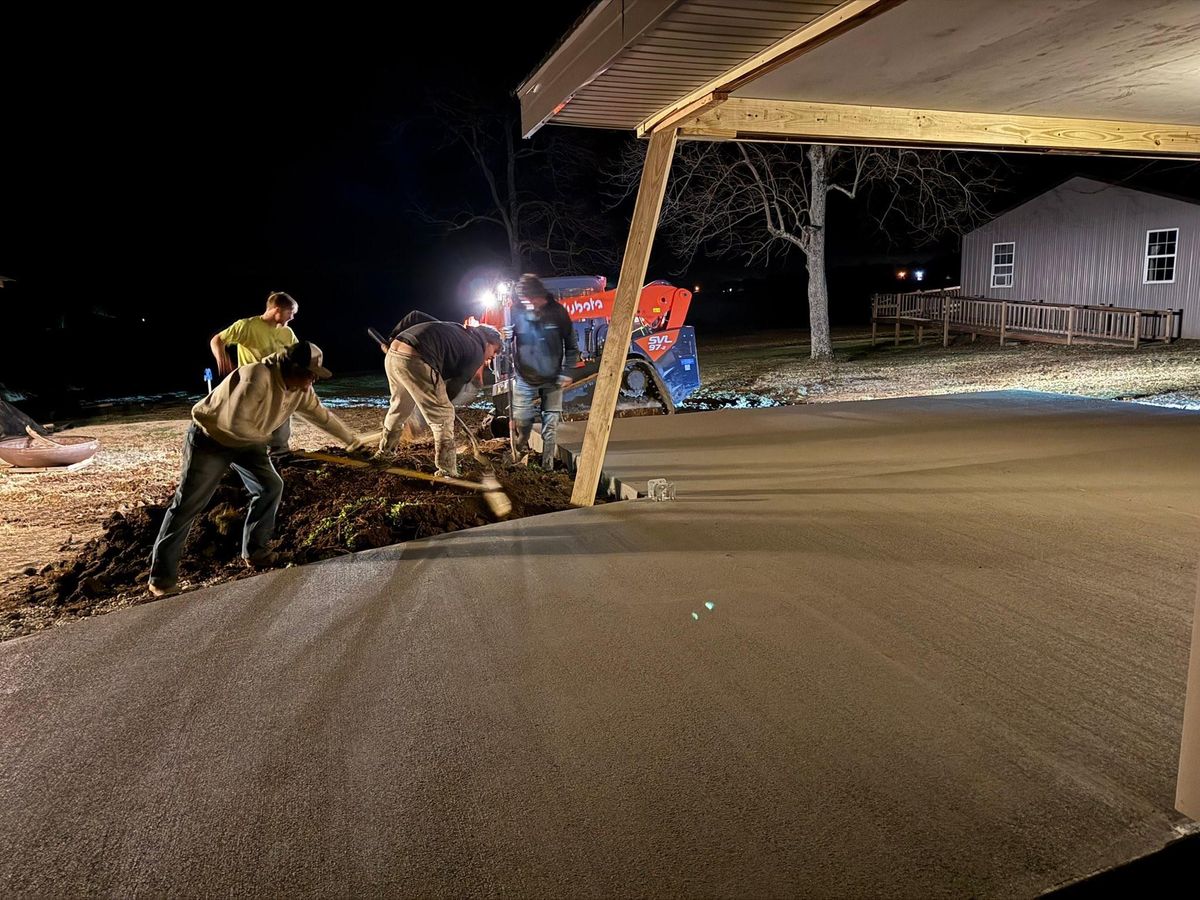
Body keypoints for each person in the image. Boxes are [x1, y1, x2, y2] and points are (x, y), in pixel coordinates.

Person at [148, 341, 369, 597]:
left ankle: (256, 552)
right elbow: (234, 422)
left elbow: (322, 416)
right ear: (292, 367)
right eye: (310, 374)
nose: (313, 381)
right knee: (188, 503)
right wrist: (267, 441)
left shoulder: (300, 389)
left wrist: (351, 441)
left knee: (270, 486)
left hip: (249, 442)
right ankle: (161, 580)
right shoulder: (257, 376)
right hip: (211, 438)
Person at [377, 320, 503, 476]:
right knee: (443, 416)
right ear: (489, 342)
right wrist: (443, 405)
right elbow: (455, 385)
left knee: (399, 407)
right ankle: (447, 469)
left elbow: (415, 315)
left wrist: (391, 339)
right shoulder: (477, 350)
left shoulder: (458, 329)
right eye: (495, 352)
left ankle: (384, 452)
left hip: (394, 353)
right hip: (415, 358)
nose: (491, 358)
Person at [210, 291, 300, 453]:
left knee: (280, 433)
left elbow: (297, 355)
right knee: (250, 435)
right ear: (277, 310)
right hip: (253, 389)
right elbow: (217, 340)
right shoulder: (247, 326)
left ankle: (280, 456)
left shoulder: (288, 332)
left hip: (279, 389)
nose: (292, 317)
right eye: (290, 312)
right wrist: (221, 358)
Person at [510, 274, 579, 468]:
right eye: (523, 300)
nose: (528, 303)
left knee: (550, 425)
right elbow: (509, 339)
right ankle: (519, 452)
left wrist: (568, 371)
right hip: (525, 376)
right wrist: (506, 335)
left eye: (530, 299)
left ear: (539, 295)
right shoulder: (517, 311)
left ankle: (546, 466)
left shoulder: (558, 313)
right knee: (523, 421)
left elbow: (572, 345)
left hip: (553, 378)